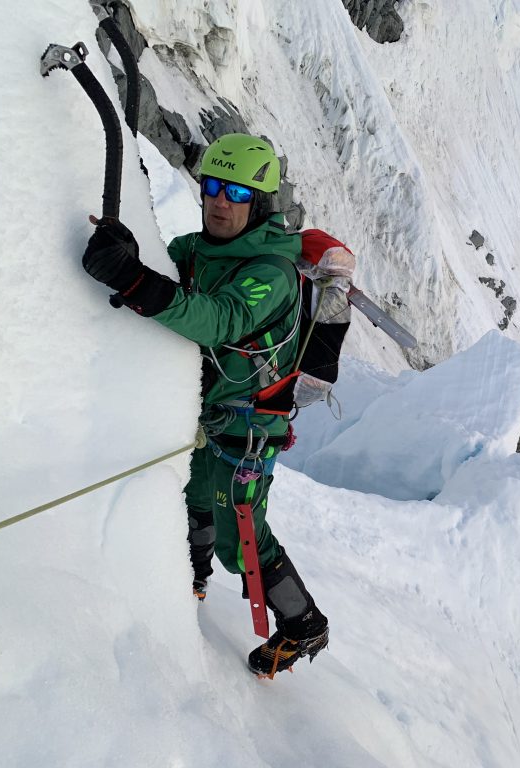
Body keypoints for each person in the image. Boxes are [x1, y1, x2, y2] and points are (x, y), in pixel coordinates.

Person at [81, 133, 355, 678]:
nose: (219, 202)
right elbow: (171, 265)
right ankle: (192, 577)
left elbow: (219, 319)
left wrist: (133, 280)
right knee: (195, 496)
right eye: (212, 186)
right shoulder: (202, 248)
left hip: (250, 428)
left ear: (259, 202)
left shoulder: (271, 273)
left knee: (242, 542)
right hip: (214, 416)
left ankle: (304, 624)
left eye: (237, 192)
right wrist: (131, 251)